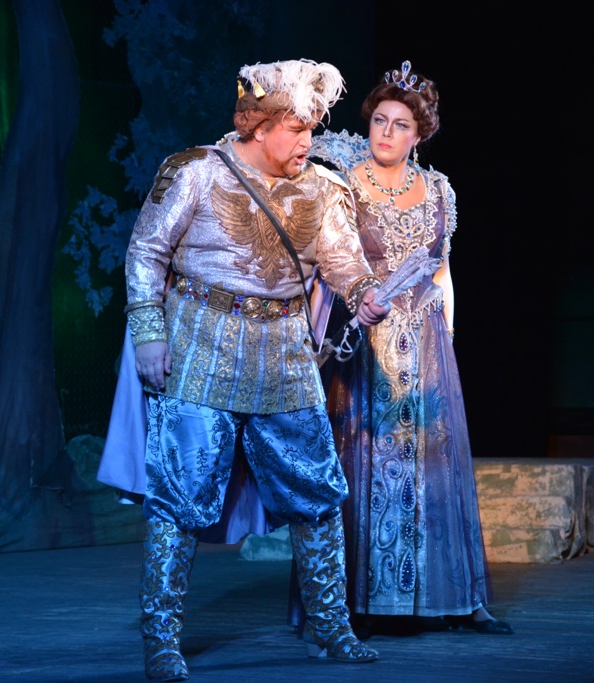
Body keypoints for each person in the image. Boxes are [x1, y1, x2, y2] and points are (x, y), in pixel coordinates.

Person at [118, 58, 391, 682]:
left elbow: (344, 263)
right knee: (178, 500)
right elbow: (146, 253)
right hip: (201, 348)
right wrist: (148, 334)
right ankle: (161, 640)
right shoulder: (195, 172)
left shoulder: (323, 189)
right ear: (259, 126)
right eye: (297, 128)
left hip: (285, 355)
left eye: (313, 128)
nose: (308, 141)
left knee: (317, 495)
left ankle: (330, 628)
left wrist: (365, 293)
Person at [305, 60, 513, 638]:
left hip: (425, 342)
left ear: (419, 134)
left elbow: (442, 271)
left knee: (433, 467)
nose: (387, 132)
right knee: (362, 463)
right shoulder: (343, 183)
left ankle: (457, 598)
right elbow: (329, 264)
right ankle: (356, 602)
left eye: (400, 124)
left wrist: (447, 340)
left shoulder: (439, 189)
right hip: (365, 343)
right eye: (379, 120)